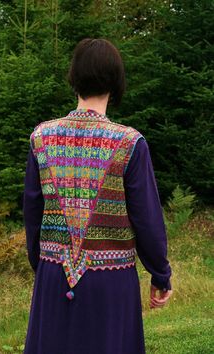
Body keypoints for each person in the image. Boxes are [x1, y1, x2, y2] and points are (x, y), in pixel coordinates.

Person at [23, 38, 172, 354]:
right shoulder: (129, 143)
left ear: (74, 78)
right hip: (110, 283)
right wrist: (160, 274)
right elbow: (147, 218)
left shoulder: (41, 137)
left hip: (53, 274)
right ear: (117, 82)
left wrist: (43, 265)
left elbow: (32, 210)